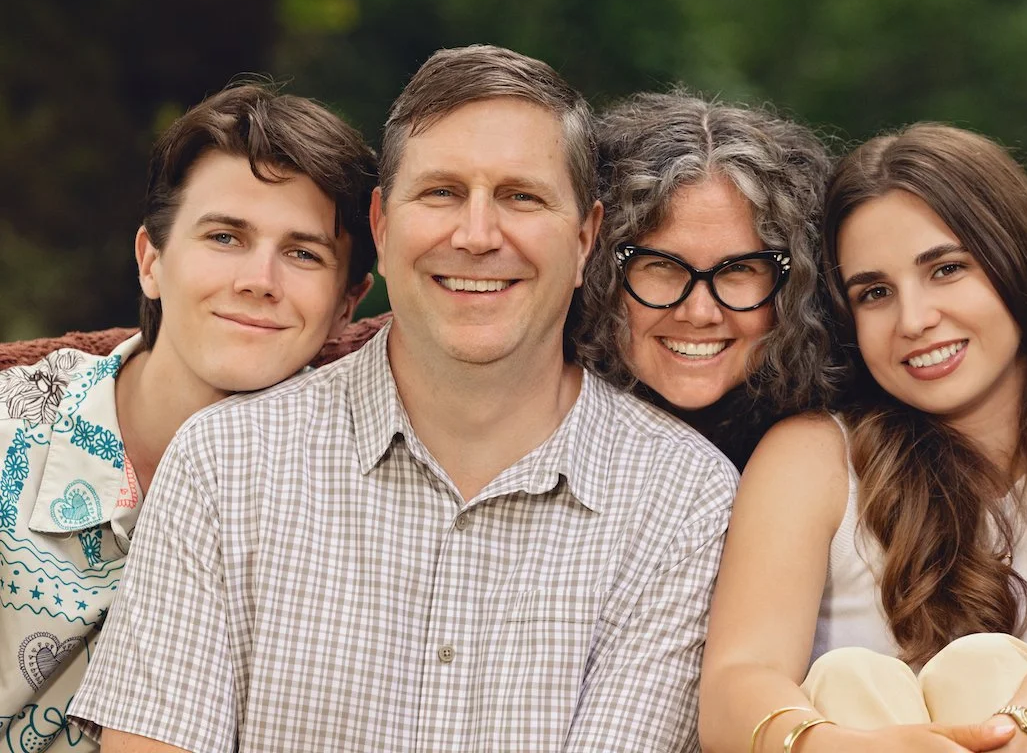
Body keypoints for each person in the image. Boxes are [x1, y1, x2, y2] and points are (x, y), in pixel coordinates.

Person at [66, 46, 738, 752]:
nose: (477, 236)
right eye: (442, 192)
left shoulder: (679, 499)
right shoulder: (226, 464)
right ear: (382, 229)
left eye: (521, 196)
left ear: (584, 239)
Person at [698, 123, 1027, 753]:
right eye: (875, 293)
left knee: (981, 668)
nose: (914, 320)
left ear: (1019, 263)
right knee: (850, 678)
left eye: (946, 269)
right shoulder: (817, 456)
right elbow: (735, 685)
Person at [0, 83, 377, 752]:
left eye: (303, 252)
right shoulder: (10, 433)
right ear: (151, 261)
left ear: (347, 303)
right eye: (226, 236)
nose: (259, 278)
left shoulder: (363, 490)